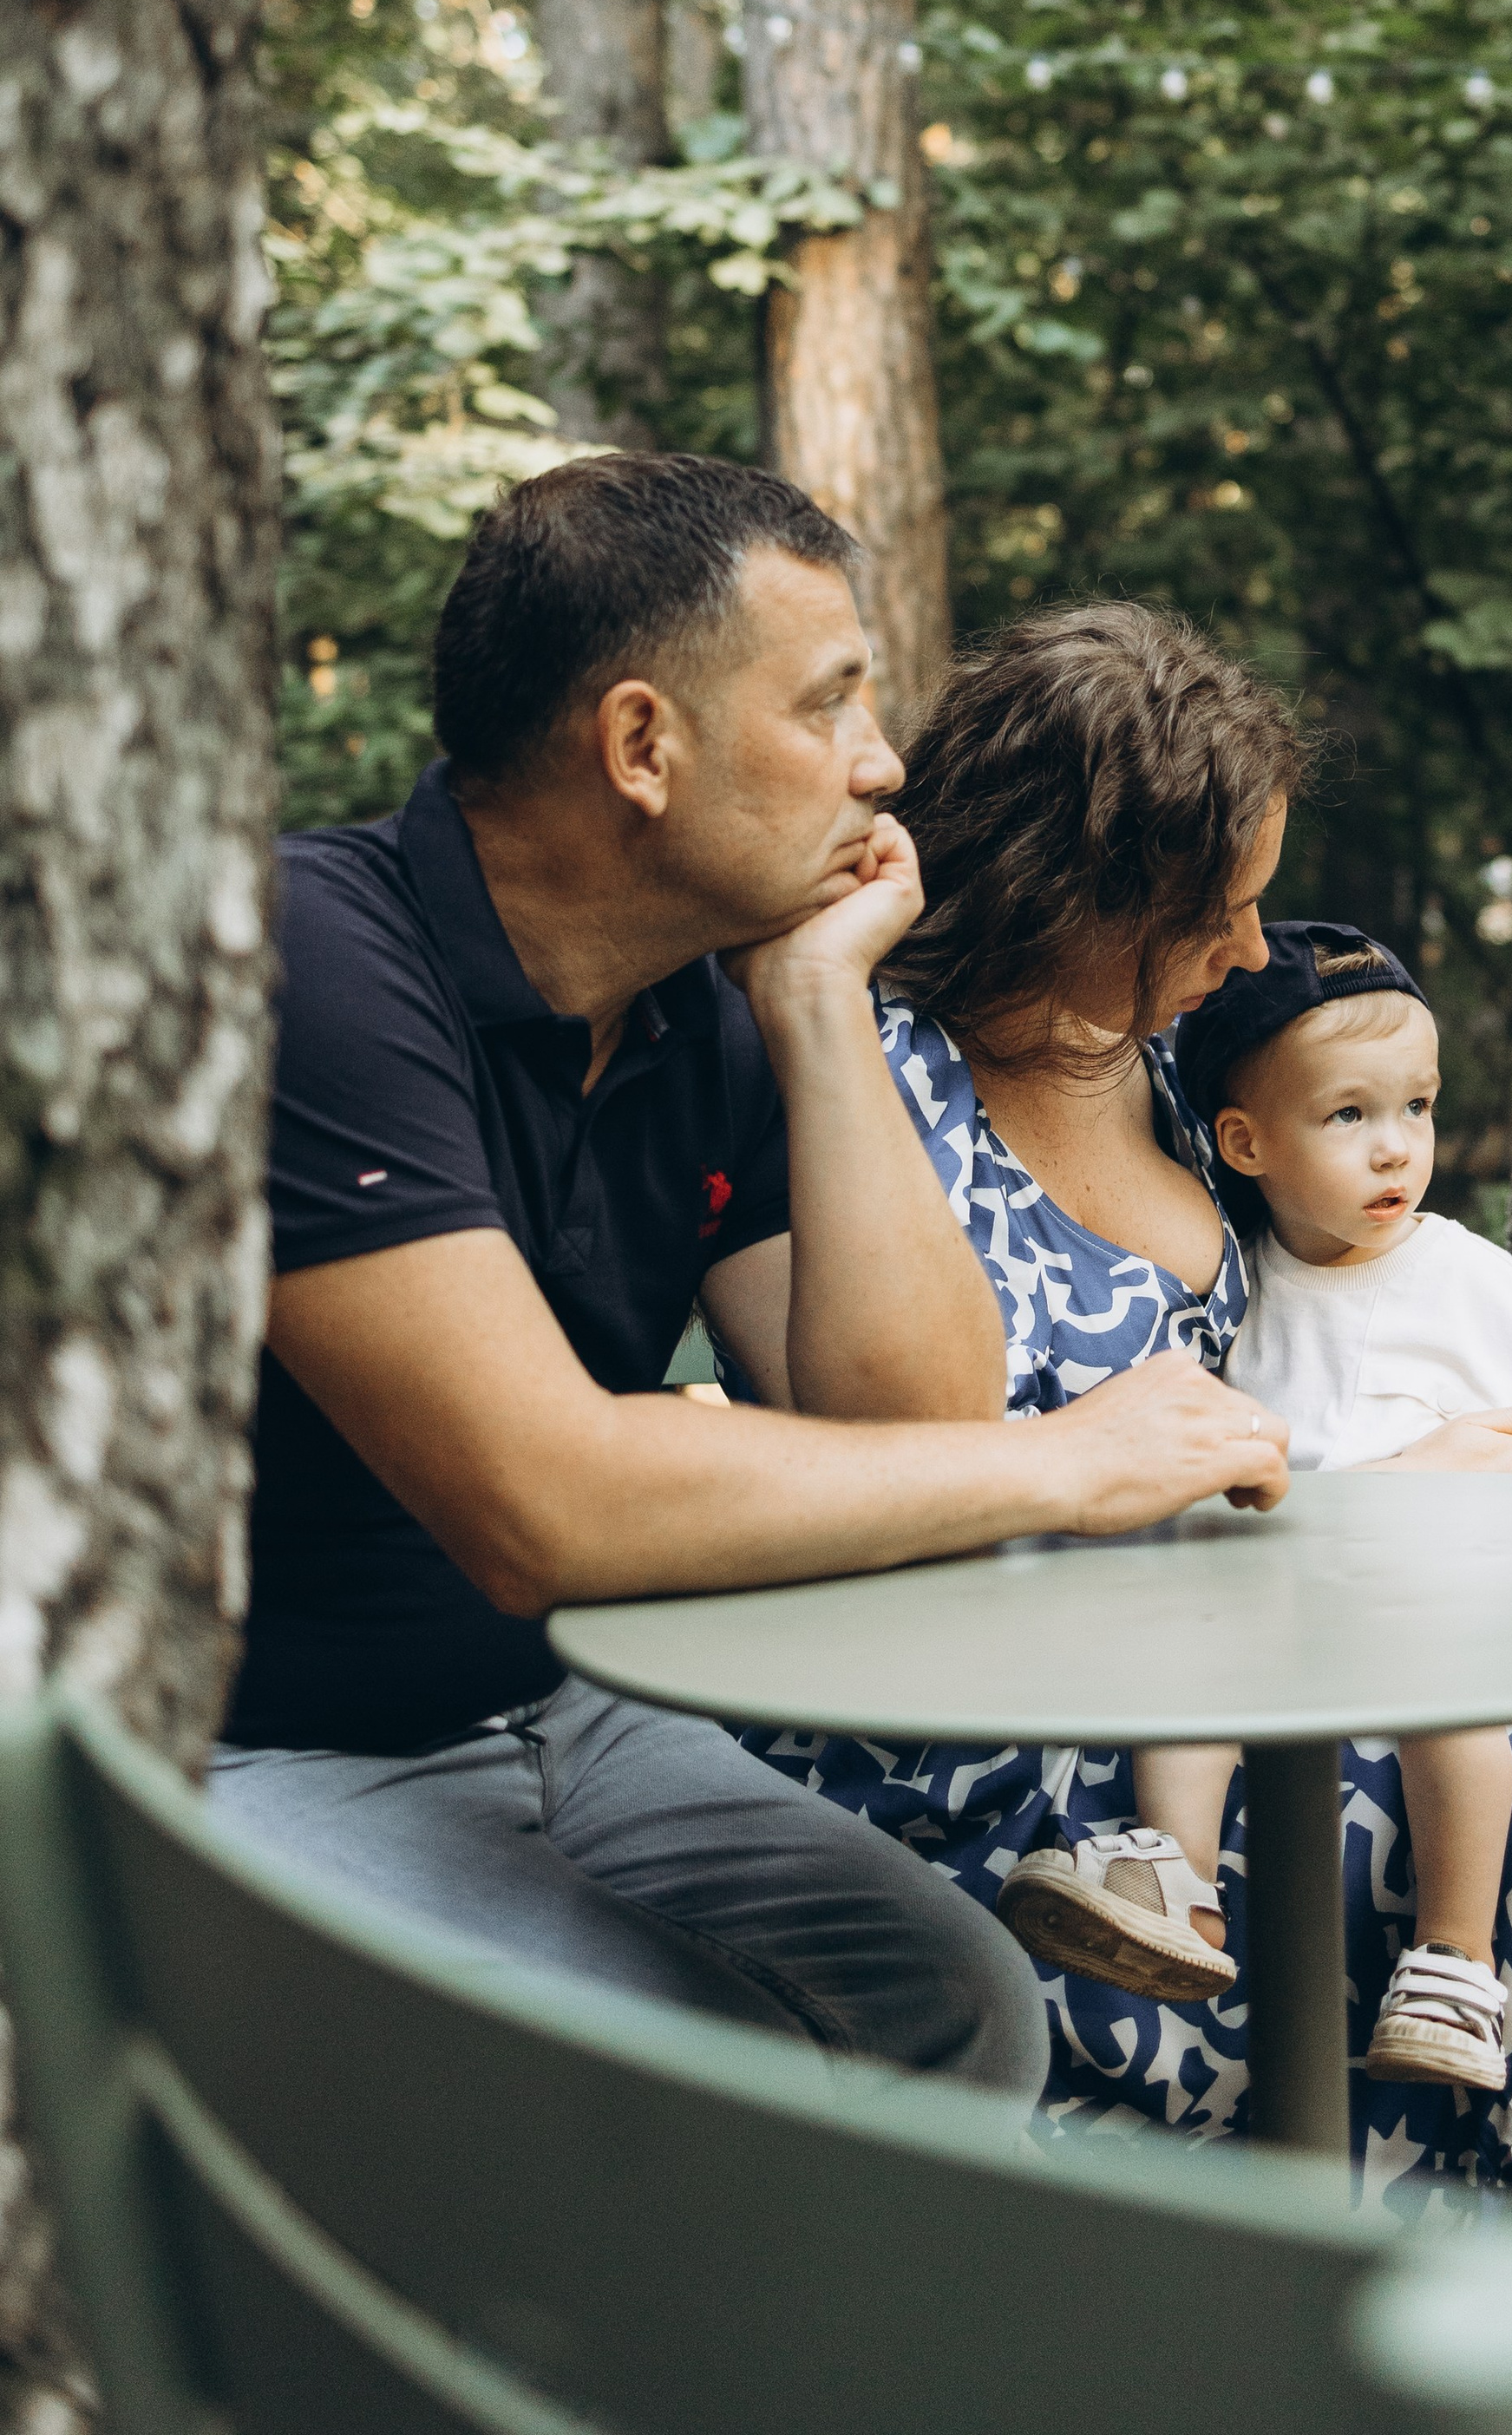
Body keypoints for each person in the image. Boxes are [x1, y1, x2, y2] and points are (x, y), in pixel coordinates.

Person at [742, 602, 1512, 2329]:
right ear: (1082, 897)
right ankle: (1489, 2321)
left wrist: (1429, 1451)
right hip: (1026, 1738)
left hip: (1245, 1636)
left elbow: (1329, 1302)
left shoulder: (1171, 1063)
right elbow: (881, 1431)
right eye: (1208, 910)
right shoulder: (866, 1073)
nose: (1244, 950)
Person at [209, 459, 1288, 2100]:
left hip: (567, 1716)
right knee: (702, 2085)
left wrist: (817, 1007)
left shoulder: (694, 1010)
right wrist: (1072, 1463)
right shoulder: (316, 960)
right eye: (832, 700)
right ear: (643, 746)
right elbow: (540, 1502)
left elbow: (906, 1412)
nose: (886, 761)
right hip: (252, 1747)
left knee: (961, 2006)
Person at [994, 922, 1512, 2098]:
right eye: (1350, 1117)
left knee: (1458, 1705)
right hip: (1286, 1599)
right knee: (1189, 1665)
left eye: (1418, 1108)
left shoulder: (1463, 1273)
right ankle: (1174, 1883)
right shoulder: (1238, 1284)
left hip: (1435, 1597)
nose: (1397, 1149)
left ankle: (1455, 1964)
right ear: (1246, 1141)